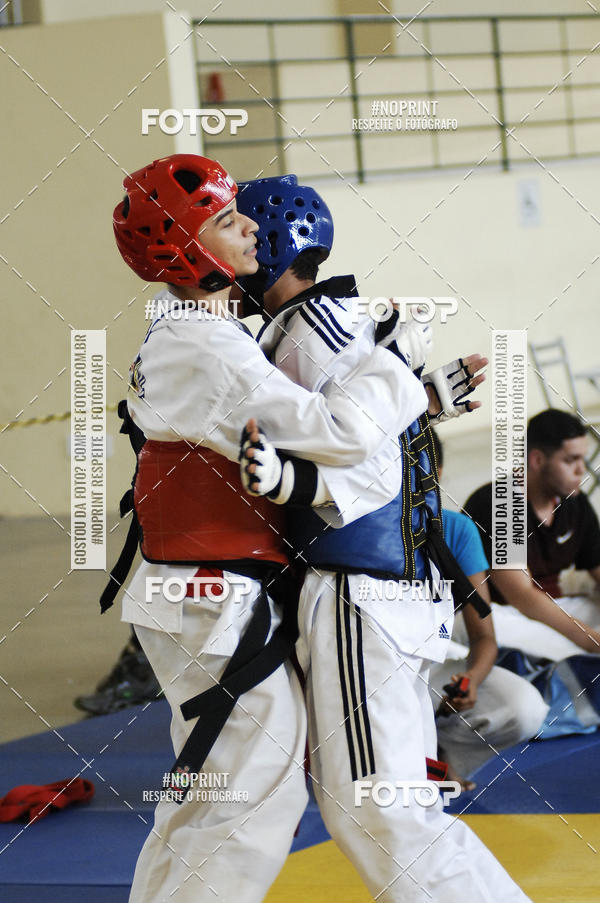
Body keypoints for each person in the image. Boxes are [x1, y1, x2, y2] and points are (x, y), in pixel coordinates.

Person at [111, 153, 427, 903]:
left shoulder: (194, 334)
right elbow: (338, 430)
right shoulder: (207, 346)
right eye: (226, 219)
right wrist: (401, 362)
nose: (251, 223)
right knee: (251, 800)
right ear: (189, 249)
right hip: (209, 596)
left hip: (198, 594)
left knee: (216, 796)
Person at [237, 175, 531, 902]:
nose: (234, 247)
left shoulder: (309, 333)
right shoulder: (333, 324)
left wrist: (288, 484)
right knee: (383, 806)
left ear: (272, 242)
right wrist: (425, 396)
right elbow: (386, 438)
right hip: (389, 591)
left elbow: (360, 452)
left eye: (242, 231)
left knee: (381, 808)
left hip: (362, 590)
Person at [428, 430, 549, 789]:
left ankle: (444, 753)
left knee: (526, 709)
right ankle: (420, 759)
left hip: (427, 666)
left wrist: (471, 682)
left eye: (424, 476)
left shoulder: (456, 530)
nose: (414, 487)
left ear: (439, 473)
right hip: (372, 677)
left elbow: (484, 636)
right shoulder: (357, 531)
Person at [465, 408, 600, 660]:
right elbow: (522, 597)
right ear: (537, 460)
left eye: (584, 459)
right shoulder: (501, 504)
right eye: (571, 460)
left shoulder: (574, 501)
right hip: (504, 615)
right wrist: (592, 641)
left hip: (553, 608)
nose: (582, 470)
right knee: (574, 649)